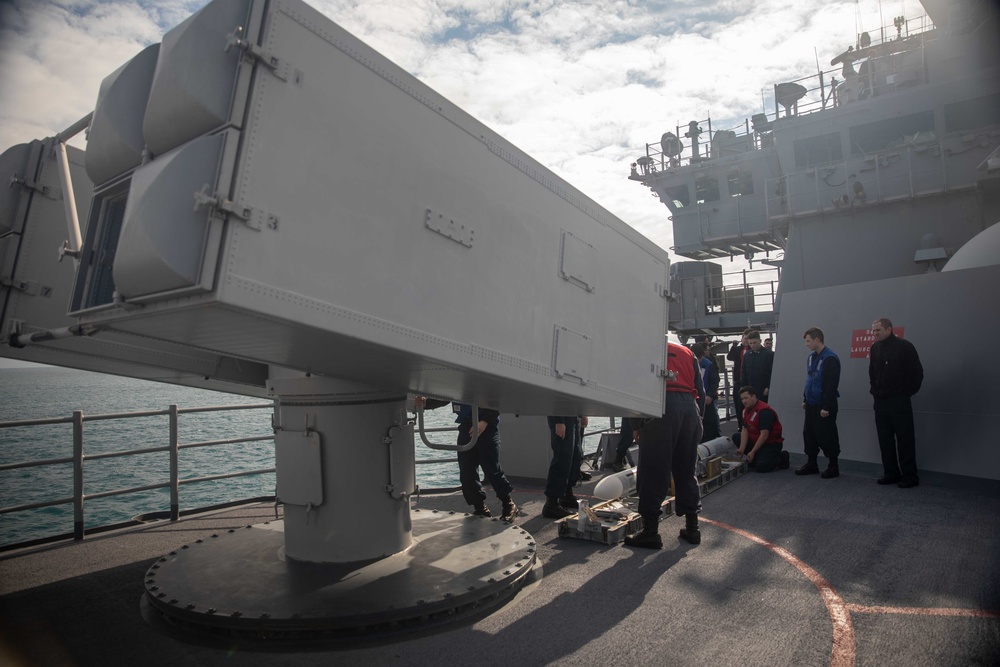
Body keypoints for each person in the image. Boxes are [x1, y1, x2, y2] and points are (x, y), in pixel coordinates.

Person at [623, 342, 704, 549]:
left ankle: (650, 532)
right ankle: (692, 528)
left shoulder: (643, 350)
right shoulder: (687, 352)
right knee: (687, 470)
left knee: (653, 472)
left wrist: (635, 425)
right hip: (689, 409)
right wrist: (697, 418)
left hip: (660, 410)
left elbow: (632, 388)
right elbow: (700, 391)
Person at [417, 398, 518, 521]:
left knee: (491, 469)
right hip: (466, 428)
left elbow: (496, 401)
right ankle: (480, 508)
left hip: (487, 428)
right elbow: (445, 398)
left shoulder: (483, 380)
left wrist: (484, 422)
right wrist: (425, 403)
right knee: (466, 471)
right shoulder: (457, 383)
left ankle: (508, 504)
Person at [869, 318, 924, 488]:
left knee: (905, 439)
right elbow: (872, 373)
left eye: (878, 330)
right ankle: (891, 473)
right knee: (884, 439)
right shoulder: (875, 348)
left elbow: (917, 373)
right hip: (880, 402)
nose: (875, 334)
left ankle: (909, 476)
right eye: (873, 331)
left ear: (889, 329)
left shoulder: (905, 347)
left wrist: (905, 394)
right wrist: (875, 393)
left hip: (899, 402)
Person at [798, 327, 842, 478]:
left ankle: (833, 466)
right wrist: (805, 399)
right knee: (809, 434)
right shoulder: (811, 357)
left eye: (808, 341)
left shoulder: (830, 359)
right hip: (811, 404)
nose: (806, 344)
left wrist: (826, 406)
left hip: (824, 406)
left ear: (817, 340)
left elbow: (831, 385)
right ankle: (812, 463)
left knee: (827, 435)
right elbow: (809, 380)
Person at [732, 386, 788, 472]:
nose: (744, 401)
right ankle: (757, 456)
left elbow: (764, 435)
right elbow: (745, 429)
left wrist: (753, 451)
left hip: (770, 443)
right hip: (756, 439)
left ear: (753, 397)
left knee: (762, 467)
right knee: (736, 436)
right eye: (742, 399)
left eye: (746, 398)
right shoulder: (745, 410)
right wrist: (742, 449)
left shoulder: (764, 412)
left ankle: (781, 457)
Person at [543, 416, 583, 518]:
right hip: (562, 416)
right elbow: (557, 400)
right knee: (562, 458)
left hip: (573, 415)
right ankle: (551, 502)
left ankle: (567, 495)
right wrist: (558, 420)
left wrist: (581, 414)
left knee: (575, 456)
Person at [693, 342, 721, 442]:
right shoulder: (689, 364)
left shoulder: (708, 364)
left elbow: (715, 381)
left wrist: (709, 395)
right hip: (695, 400)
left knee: (711, 423)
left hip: (706, 400)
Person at [727, 330, 752, 429]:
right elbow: (730, 357)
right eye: (744, 338)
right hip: (738, 380)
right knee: (738, 403)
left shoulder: (752, 350)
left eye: (747, 338)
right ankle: (740, 424)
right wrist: (734, 346)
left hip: (749, 381)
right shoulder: (738, 349)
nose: (746, 340)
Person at [740, 330, 774, 400]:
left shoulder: (769, 354)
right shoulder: (747, 355)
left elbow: (772, 372)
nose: (752, 345)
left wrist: (769, 387)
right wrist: (743, 388)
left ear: (760, 341)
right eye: (750, 343)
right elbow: (744, 373)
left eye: (755, 342)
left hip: (764, 390)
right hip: (751, 390)